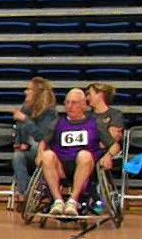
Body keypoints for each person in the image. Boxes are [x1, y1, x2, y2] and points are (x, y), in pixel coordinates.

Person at [36, 88, 107, 217]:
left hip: (85, 166)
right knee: (47, 155)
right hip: (61, 167)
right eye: (67, 102)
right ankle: (58, 201)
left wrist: (109, 156)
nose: (69, 106)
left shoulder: (94, 123)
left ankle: (73, 201)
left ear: (83, 105)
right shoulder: (57, 122)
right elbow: (43, 142)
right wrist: (40, 152)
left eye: (74, 103)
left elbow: (113, 145)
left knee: (84, 155)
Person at [11, 76, 57, 205]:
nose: (26, 92)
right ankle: (26, 195)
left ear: (37, 93)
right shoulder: (25, 108)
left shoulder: (49, 112)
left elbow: (42, 136)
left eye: (29, 89)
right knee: (17, 156)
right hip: (29, 150)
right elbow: (19, 131)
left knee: (38, 147)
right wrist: (19, 143)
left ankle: (35, 193)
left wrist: (25, 119)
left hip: (44, 150)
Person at [87, 83, 127, 170]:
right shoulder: (86, 116)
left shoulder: (115, 114)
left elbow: (114, 138)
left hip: (109, 151)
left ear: (100, 94)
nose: (87, 98)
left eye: (90, 94)